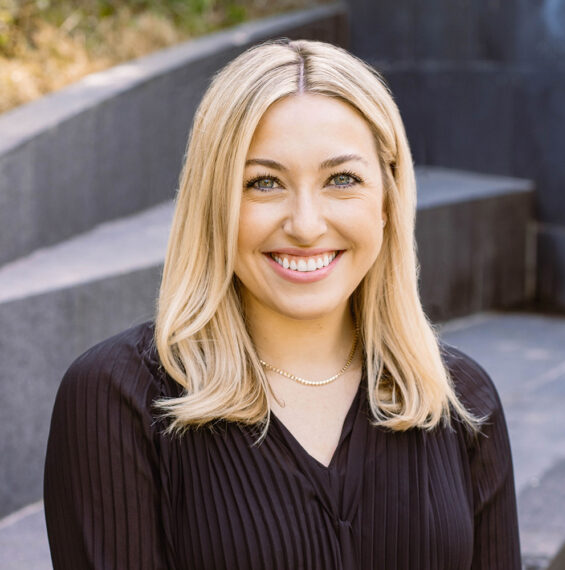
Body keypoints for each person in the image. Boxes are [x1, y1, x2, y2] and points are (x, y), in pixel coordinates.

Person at [44, 39, 521, 569]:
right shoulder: (116, 399)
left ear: (387, 199)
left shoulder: (461, 400)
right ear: (213, 204)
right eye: (263, 183)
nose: (306, 225)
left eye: (342, 179)